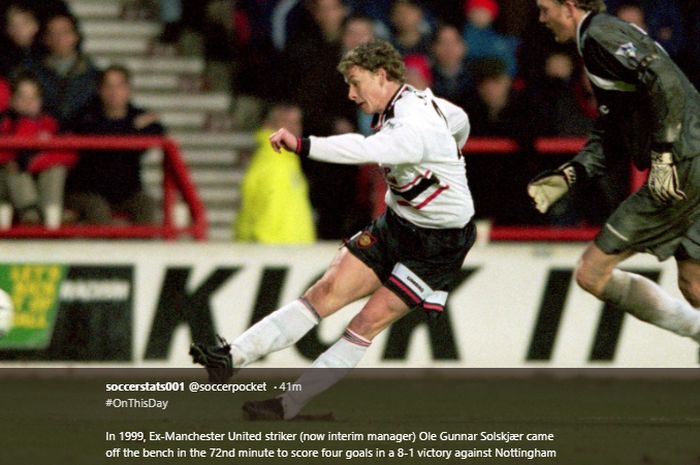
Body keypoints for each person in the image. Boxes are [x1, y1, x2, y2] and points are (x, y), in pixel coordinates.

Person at [191, 39, 475, 420]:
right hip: (398, 223)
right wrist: (451, 157)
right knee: (324, 292)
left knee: (364, 323)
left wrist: (302, 145)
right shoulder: (423, 105)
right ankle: (231, 357)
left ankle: (288, 406)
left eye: (356, 83)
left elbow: (361, 149)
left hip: (438, 245)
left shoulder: (413, 124)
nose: (351, 93)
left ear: (381, 75)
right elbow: (460, 121)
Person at [528, 0, 700, 348]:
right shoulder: (601, 39)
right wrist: (572, 174)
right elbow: (613, 130)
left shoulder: (600, 36)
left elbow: (665, 82)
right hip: (689, 160)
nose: (542, 19)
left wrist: (665, 155)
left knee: (592, 273)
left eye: (546, 9)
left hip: (680, 167)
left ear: (570, 6)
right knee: (694, 285)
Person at [66, 65, 163, 225]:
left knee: (147, 204)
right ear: (99, 90)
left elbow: (157, 131)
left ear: (128, 89)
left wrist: (124, 129)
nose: (114, 91)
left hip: (127, 192)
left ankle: (144, 250)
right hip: (88, 191)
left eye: (120, 85)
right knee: (98, 210)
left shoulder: (138, 114)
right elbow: (92, 131)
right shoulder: (86, 115)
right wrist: (132, 128)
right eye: (108, 86)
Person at [0, 72, 76, 228]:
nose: (28, 102)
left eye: (33, 97)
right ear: (12, 100)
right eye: (22, 97)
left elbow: (70, 152)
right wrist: (20, 161)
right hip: (11, 186)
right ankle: (30, 215)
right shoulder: (4, 122)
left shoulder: (51, 122)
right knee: (12, 169)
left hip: (44, 182)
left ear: (41, 100)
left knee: (55, 169)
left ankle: (51, 217)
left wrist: (33, 162)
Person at [233, 103, 316, 244]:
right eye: (286, 122)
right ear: (268, 125)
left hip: (295, 254)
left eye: (296, 122)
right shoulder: (269, 163)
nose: (294, 128)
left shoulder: (288, 161)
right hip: (276, 254)